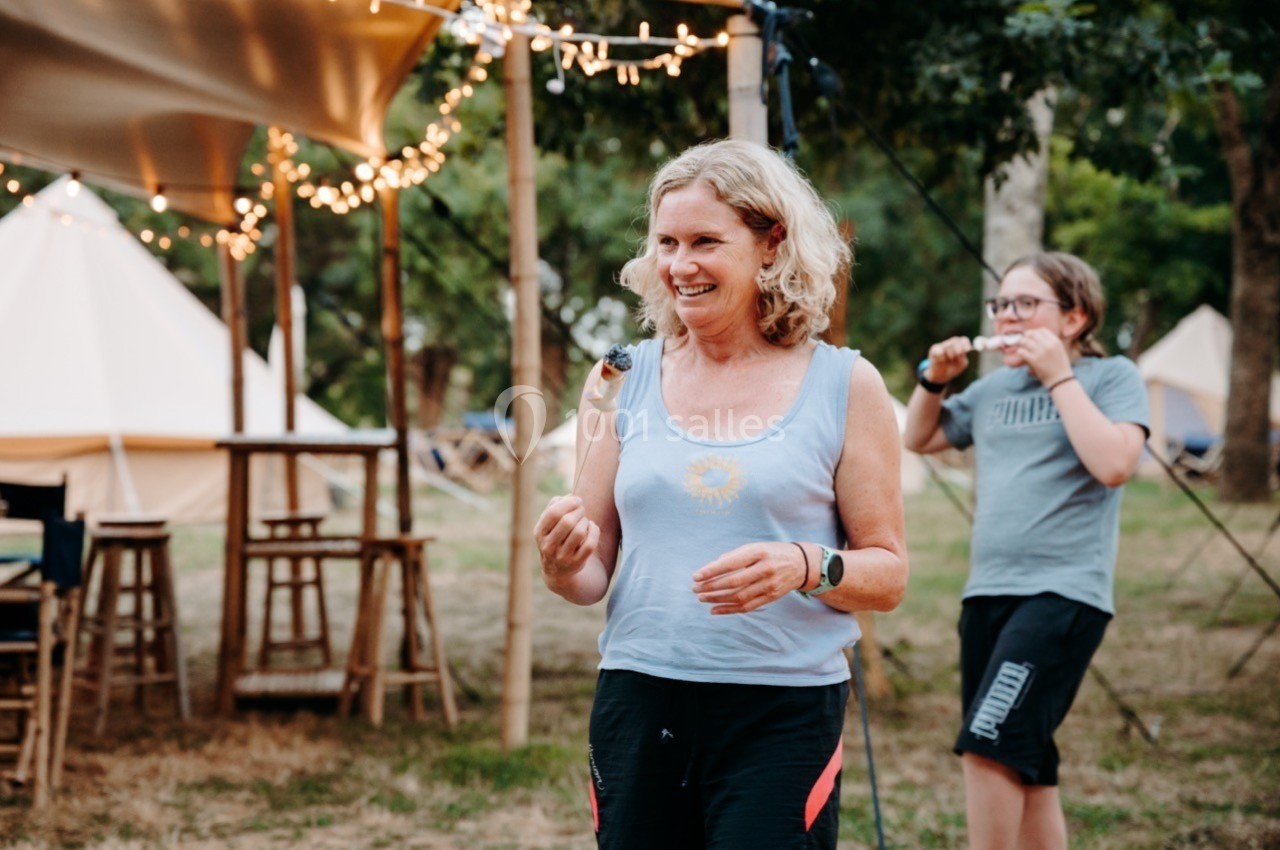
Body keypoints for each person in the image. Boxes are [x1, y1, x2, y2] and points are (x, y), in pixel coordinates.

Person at [534, 139, 909, 850]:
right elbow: (590, 575)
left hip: (782, 710)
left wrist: (804, 565)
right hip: (638, 699)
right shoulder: (619, 377)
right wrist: (560, 562)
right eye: (667, 242)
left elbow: (887, 575)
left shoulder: (845, 384)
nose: (680, 265)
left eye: (706, 241)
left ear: (771, 244)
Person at [903, 252, 1150, 850]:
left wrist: (1059, 376)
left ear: (1075, 317)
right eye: (1000, 305)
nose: (1007, 317)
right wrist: (934, 379)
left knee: (987, 745)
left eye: (1025, 304)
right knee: (1027, 764)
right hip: (986, 595)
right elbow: (920, 437)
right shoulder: (992, 390)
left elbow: (1115, 463)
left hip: (1061, 595)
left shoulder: (1110, 377)